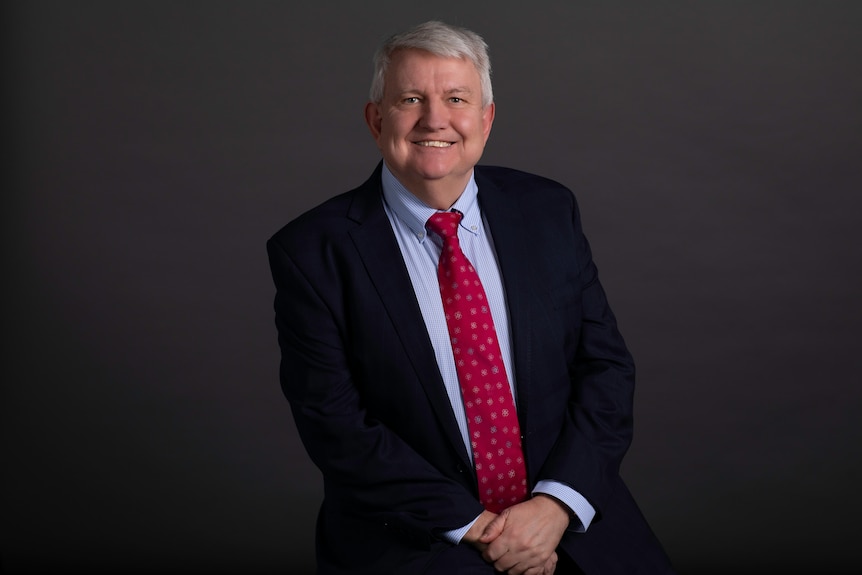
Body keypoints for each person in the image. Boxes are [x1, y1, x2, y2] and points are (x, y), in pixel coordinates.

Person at [267, 20, 674, 575]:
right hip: (416, 532)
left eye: (456, 99)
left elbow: (605, 369)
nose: (435, 119)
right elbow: (334, 424)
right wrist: (482, 527)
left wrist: (555, 505)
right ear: (376, 118)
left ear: (486, 118)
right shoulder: (312, 251)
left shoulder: (548, 210)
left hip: (567, 515)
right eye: (411, 99)